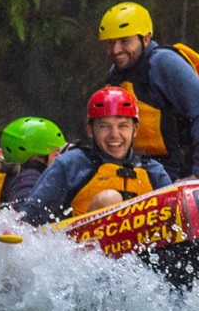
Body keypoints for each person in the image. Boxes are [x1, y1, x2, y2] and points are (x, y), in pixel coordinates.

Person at [96, 1, 199, 178]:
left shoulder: (164, 63)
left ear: (145, 39)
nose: (116, 50)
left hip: (178, 171)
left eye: (125, 41)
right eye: (110, 43)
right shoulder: (116, 74)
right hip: (141, 168)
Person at [20, 86, 172, 223]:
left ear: (135, 129)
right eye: (104, 126)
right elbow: (31, 213)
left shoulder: (153, 171)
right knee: (109, 199)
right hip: (81, 248)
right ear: (90, 129)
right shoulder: (71, 164)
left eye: (123, 126)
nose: (114, 135)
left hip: (141, 250)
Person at [0, 116, 68, 214]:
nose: (59, 158)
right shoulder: (30, 177)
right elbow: (22, 216)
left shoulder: (9, 171)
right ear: (36, 157)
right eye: (56, 154)